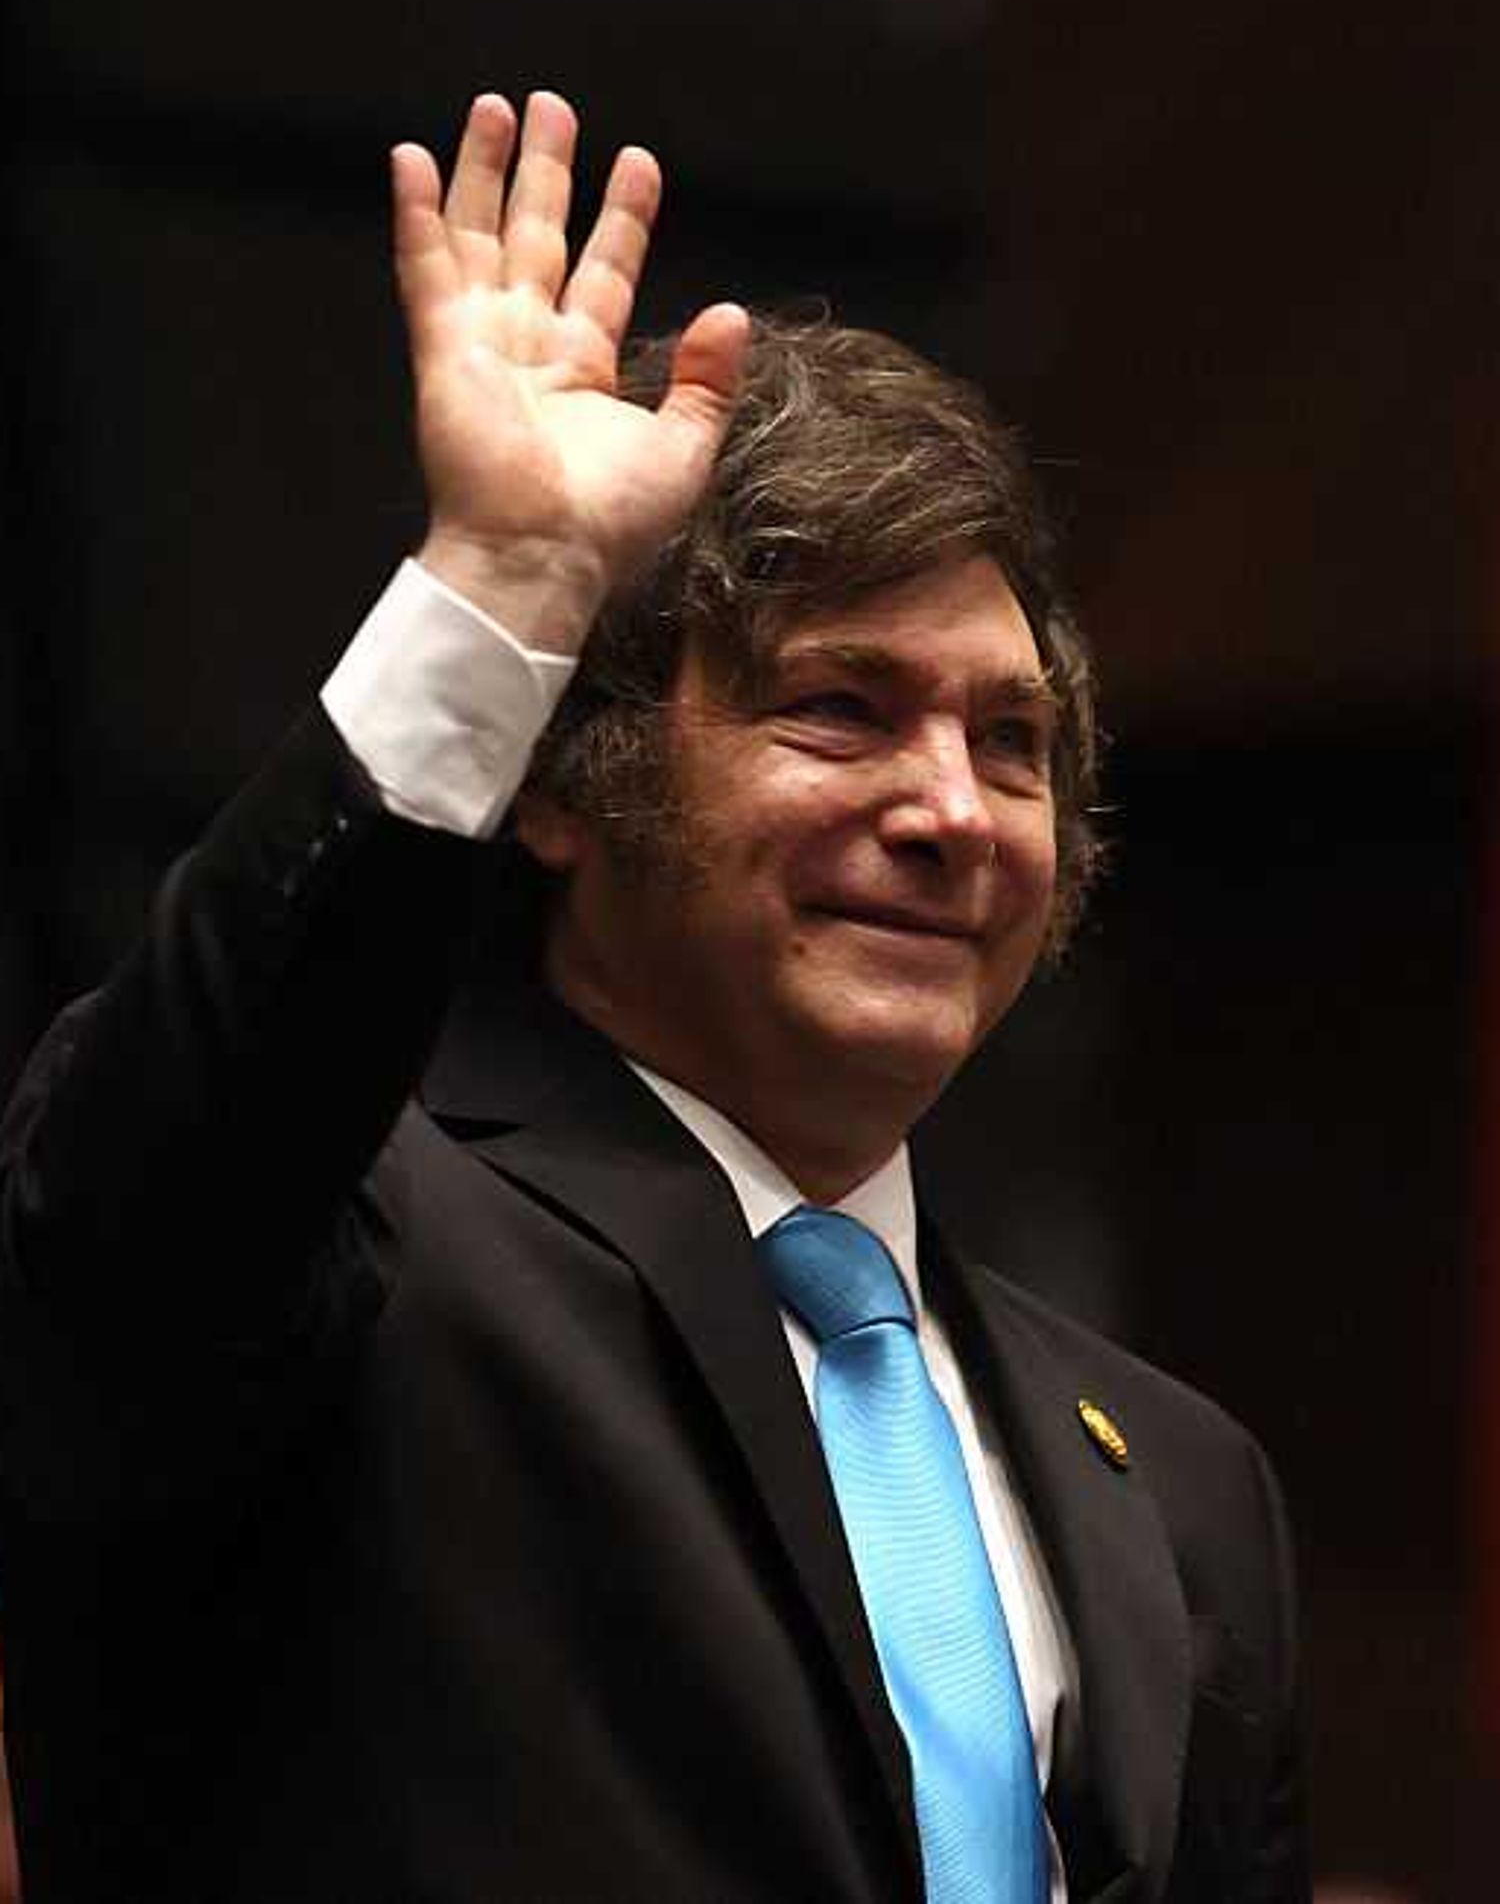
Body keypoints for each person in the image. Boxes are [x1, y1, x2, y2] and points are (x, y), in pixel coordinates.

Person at [0, 92, 1308, 1902]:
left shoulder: (1182, 1476)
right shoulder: (348, 1252)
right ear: (564, 780)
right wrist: (510, 582)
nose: (951, 809)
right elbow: (149, 1175)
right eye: (839, 709)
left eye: (1011, 741)